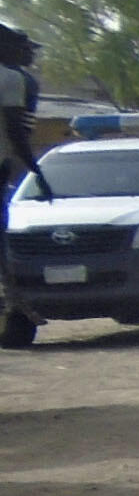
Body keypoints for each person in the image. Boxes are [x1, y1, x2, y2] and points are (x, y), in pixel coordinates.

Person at [0, 26, 51, 345]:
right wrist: (38, 174)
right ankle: (13, 308)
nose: (29, 53)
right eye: (23, 47)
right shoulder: (13, 80)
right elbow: (18, 132)